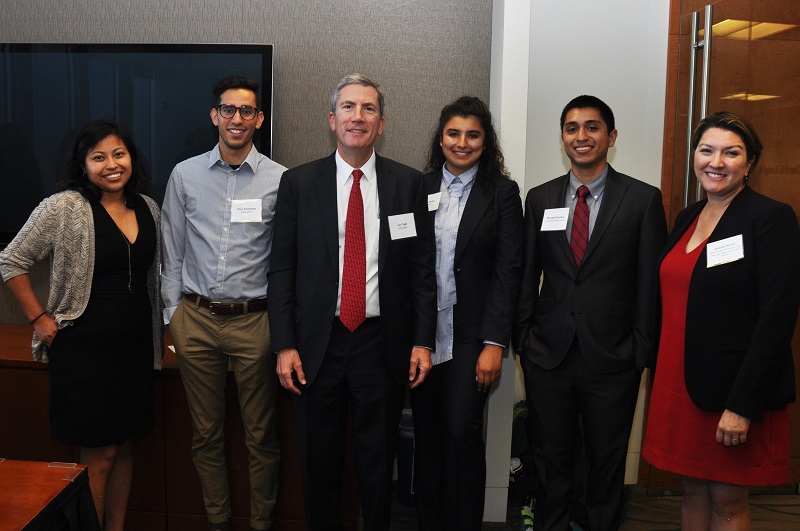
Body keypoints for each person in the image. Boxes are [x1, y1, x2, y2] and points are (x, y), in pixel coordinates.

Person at [267, 73, 437, 531]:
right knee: (319, 462)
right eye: (348, 107)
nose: (357, 117)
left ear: (382, 123)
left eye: (367, 109)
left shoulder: (408, 184)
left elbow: (422, 270)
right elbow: (281, 270)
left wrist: (423, 341)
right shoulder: (299, 184)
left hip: (381, 344)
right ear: (332, 119)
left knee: (377, 463)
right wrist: (284, 344)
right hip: (316, 346)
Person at [513, 95, 667, 531]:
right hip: (548, 355)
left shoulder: (642, 200)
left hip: (614, 358)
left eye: (592, 127)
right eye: (572, 128)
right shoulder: (539, 198)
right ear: (562, 137)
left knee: (606, 465)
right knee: (550, 461)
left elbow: (648, 285)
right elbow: (527, 274)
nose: (581, 136)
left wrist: (640, 351)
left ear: (611, 136)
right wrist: (522, 339)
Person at [0, 119, 162, 531]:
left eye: (119, 154)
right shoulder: (65, 207)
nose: (111, 164)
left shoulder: (148, 206)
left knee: (125, 448)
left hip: (135, 350)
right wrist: (38, 319)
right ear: (83, 164)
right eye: (99, 157)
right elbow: (11, 260)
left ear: (132, 158)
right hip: (85, 353)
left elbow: (154, 278)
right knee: (100, 456)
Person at [642, 112, 800, 529]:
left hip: (733, 389)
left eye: (731, 153)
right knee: (691, 491)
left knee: (727, 499)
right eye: (706, 150)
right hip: (680, 384)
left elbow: (777, 318)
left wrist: (742, 405)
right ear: (695, 156)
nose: (716, 161)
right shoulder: (686, 218)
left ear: (749, 164)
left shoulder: (770, 218)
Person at [161, 75, 285, 531]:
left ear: (259, 119)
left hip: (255, 321)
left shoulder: (279, 180)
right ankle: (218, 521)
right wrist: (171, 316)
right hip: (194, 319)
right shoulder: (185, 175)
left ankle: (261, 523)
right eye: (228, 110)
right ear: (215, 116)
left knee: (261, 437)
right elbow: (171, 250)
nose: (237, 119)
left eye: (246, 111)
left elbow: (285, 260)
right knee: (206, 435)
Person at [410, 96, 523, 530]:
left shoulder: (502, 193)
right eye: (453, 134)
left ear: (485, 140)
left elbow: (508, 271)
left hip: (471, 336)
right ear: (440, 139)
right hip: (422, 335)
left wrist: (494, 343)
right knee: (429, 434)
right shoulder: (417, 188)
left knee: (461, 432)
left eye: (472, 135)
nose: (462, 143)